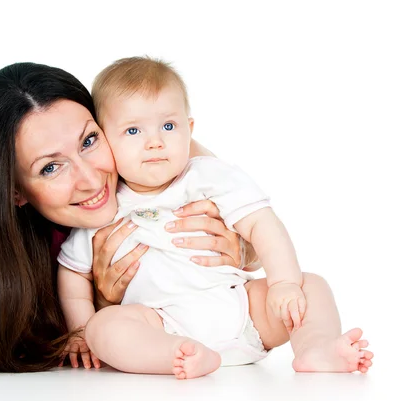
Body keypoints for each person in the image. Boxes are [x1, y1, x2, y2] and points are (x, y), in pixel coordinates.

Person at [57, 57, 373, 379]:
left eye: (168, 126)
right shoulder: (105, 206)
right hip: (162, 325)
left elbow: (263, 224)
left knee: (312, 286)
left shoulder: (209, 177)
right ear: (105, 140)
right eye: (133, 130)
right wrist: (81, 331)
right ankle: (174, 356)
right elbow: (72, 275)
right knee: (104, 327)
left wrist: (284, 283)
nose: (155, 141)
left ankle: (315, 348)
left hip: (243, 313)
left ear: (189, 129)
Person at [0, 62, 252, 373]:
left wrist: (242, 249)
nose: (91, 180)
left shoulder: (152, 160)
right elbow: (20, 351)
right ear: (13, 192)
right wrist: (101, 306)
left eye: (89, 140)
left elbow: (237, 202)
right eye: (50, 168)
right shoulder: (13, 273)